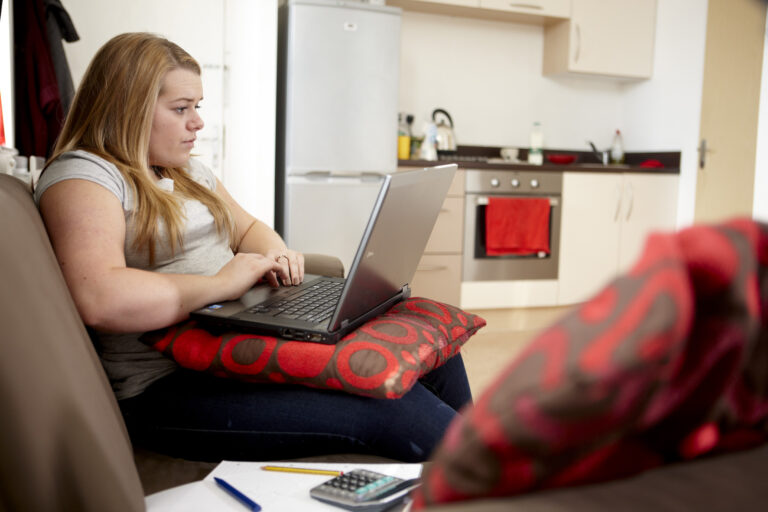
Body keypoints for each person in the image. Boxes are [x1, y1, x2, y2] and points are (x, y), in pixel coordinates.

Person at [34, 32, 472, 462]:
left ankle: (494, 470)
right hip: (169, 386)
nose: (198, 122)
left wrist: (276, 252)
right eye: (181, 108)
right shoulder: (86, 176)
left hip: (236, 346)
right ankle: (485, 478)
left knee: (429, 350)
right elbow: (100, 297)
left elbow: (250, 230)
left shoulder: (188, 172)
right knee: (387, 407)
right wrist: (222, 285)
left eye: (197, 106)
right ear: (126, 108)